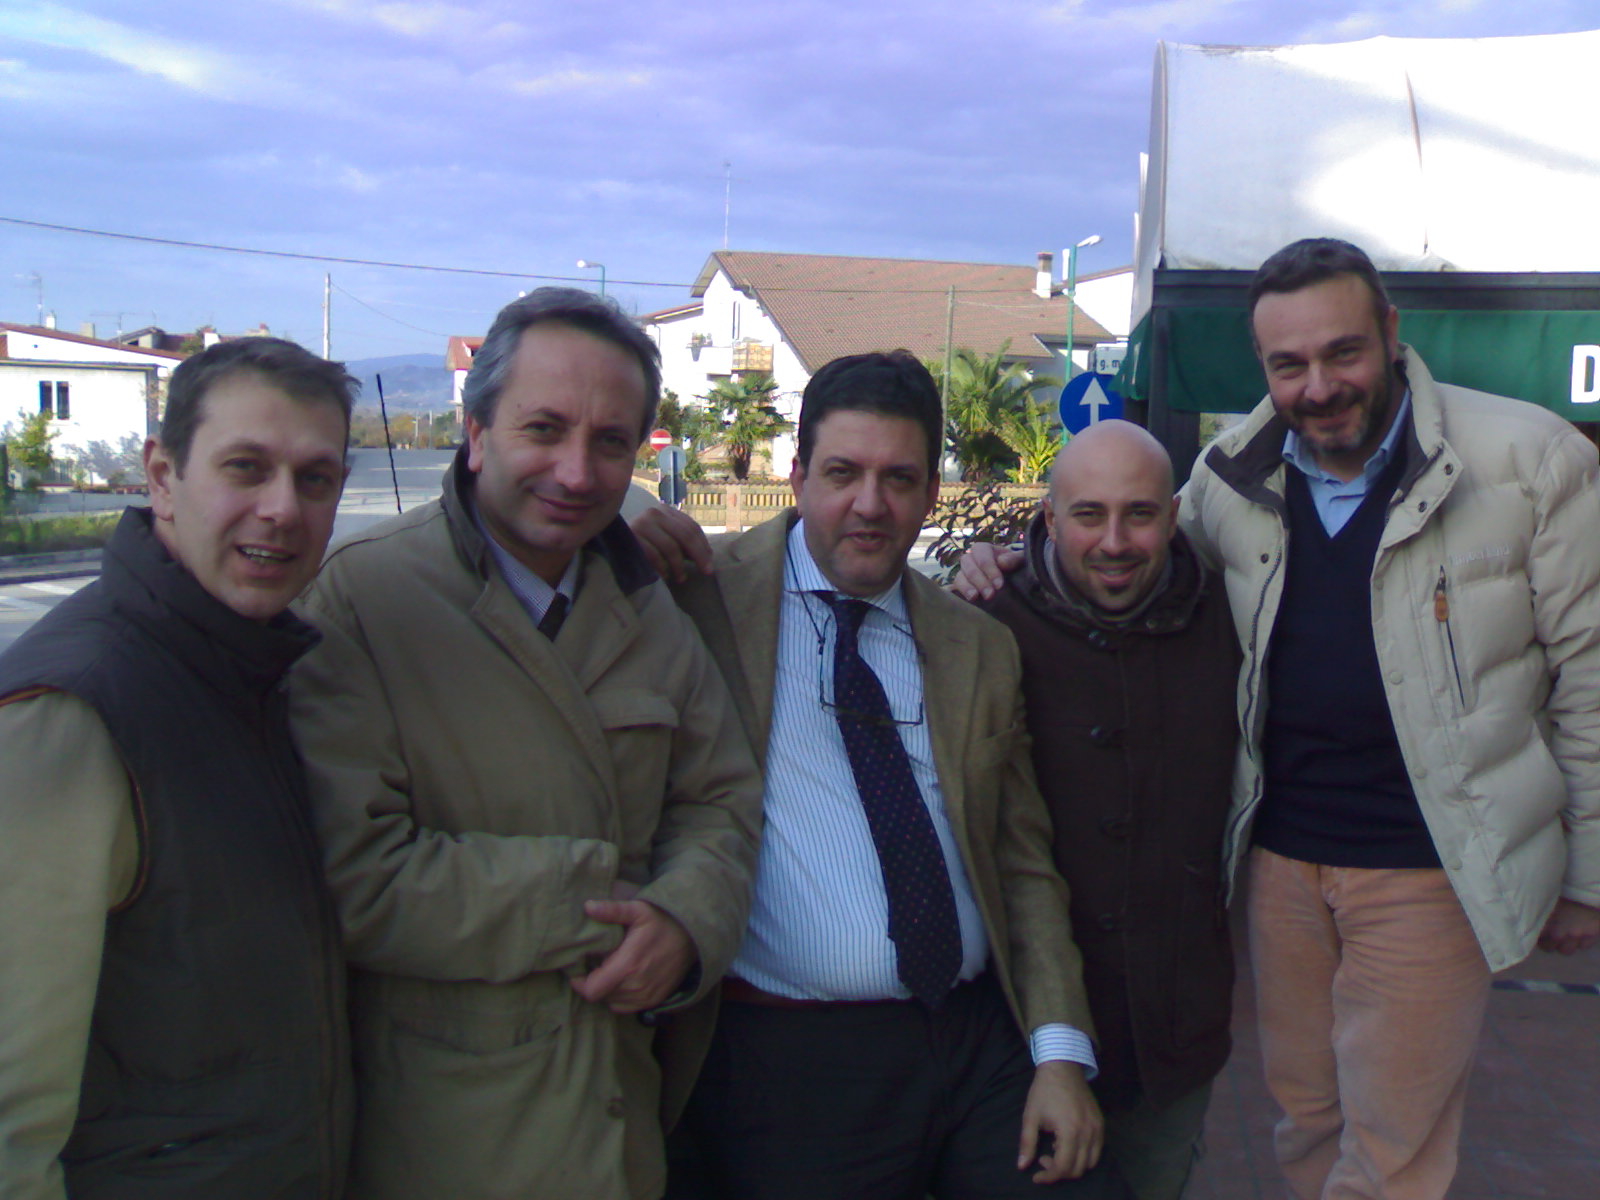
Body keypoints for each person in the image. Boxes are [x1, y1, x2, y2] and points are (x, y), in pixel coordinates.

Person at [959, 237, 1600, 1200]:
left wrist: (1588, 875)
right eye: (1288, 364)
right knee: (1306, 1116)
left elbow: (1590, 681)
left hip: (1429, 860)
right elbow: (1123, 540)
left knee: (1393, 1149)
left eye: (1343, 352)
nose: (1319, 387)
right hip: (1280, 865)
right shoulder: (1230, 476)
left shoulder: (1529, 459)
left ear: (1391, 334)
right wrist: (1006, 560)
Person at [288, 288, 763, 1200]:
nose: (576, 473)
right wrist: (595, 899)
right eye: (543, 429)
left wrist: (685, 920)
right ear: (476, 434)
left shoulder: (649, 610)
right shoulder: (363, 602)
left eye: (611, 442)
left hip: (619, 1120)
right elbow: (348, 875)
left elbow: (720, 804)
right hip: (445, 1133)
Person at [634, 350, 1126, 1199]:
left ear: (932, 493)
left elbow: (1021, 863)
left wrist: (1059, 1055)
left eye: (899, 478)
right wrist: (622, 522)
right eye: (842, 473)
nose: (870, 504)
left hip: (977, 1043)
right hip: (789, 1056)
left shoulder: (977, 644)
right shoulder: (698, 601)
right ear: (796, 477)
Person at [0, 337, 357, 1199]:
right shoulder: (71, 711)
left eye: (315, 479)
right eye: (246, 468)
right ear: (162, 477)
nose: (283, 509)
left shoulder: (257, 669)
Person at [968, 420, 1239, 1200]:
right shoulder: (984, 625)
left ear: (1174, 516)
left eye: (1140, 514)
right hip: (1015, 1039)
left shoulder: (1231, 620)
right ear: (1050, 519)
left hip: (1174, 1038)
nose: (1114, 542)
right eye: (1089, 515)